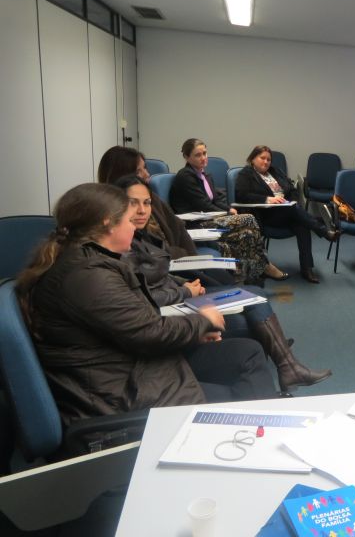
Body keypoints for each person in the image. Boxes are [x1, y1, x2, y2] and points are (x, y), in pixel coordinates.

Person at [15, 183, 279, 426]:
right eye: (129, 221)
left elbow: (136, 325)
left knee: (248, 353)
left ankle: (257, 431)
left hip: (131, 368)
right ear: (108, 223)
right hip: (121, 396)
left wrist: (194, 331)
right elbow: (149, 332)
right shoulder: (87, 276)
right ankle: (255, 436)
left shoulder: (89, 264)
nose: (134, 228)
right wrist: (202, 321)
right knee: (241, 396)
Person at [116, 175, 332, 390]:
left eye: (147, 203)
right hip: (172, 310)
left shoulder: (141, 237)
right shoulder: (123, 246)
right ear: (117, 206)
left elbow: (159, 275)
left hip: (179, 295)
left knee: (254, 294)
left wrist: (185, 286)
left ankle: (285, 362)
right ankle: (286, 363)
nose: (142, 210)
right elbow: (145, 294)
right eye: (133, 203)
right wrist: (185, 291)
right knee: (252, 298)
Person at [166, 139, 288, 283]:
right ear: (187, 157)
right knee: (248, 218)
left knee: (248, 233)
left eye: (205, 153)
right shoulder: (185, 176)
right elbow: (204, 204)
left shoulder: (205, 175)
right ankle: (264, 266)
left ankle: (250, 274)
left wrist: (229, 208)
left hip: (210, 218)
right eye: (198, 155)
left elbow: (215, 200)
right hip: (196, 224)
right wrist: (228, 213)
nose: (203, 158)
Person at [235, 145, 339, 284]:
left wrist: (292, 201)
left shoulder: (275, 171)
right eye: (262, 158)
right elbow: (241, 195)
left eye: (268, 159)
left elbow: (291, 188)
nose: (266, 162)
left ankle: (307, 268)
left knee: (302, 223)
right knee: (296, 212)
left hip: (286, 211)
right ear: (253, 158)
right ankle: (324, 231)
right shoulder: (246, 174)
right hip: (266, 214)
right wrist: (267, 199)